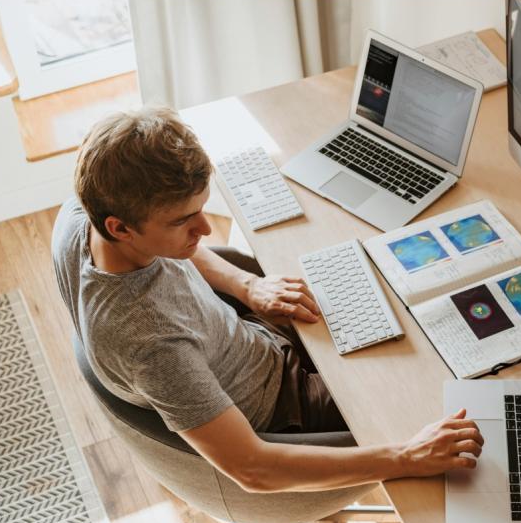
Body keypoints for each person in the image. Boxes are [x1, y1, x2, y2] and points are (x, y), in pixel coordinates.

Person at [52, 106, 483, 493]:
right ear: (120, 227)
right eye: (184, 220)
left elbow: (182, 248)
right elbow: (253, 469)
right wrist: (406, 458)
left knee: (399, 303)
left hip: (251, 341)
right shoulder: (151, 345)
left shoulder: (84, 215)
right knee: (445, 398)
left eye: (202, 208)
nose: (204, 229)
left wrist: (247, 287)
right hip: (283, 410)